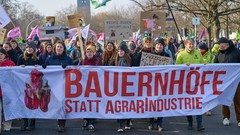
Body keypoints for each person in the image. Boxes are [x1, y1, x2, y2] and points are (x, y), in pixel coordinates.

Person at [175, 38, 205, 131]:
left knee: (198, 103)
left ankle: (199, 124)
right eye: (189, 44)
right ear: (186, 45)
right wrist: (183, 66)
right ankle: (190, 122)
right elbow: (176, 68)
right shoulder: (181, 55)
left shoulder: (197, 53)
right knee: (188, 104)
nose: (191, 46)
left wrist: (205, 64)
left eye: (192, 44)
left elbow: (202, 63)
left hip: (197, 83)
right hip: (186, 84)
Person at [45, 41, 73, 132]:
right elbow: (45, 72)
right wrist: (44, 67)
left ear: (64, 49)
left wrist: (68, 67)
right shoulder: (49, 59)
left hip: (64, 84)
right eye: (58, 47)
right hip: (52, 85)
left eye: (61, 47)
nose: (59, 48)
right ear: (55, 48)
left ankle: (61, 124)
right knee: (54, 104)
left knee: (62, 104)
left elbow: (73, 70)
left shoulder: (68, 59)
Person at [214, 37, 240, 127]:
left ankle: (239, 119)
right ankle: (226, 117)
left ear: (227, 44)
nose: (220, 45)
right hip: (224, 82)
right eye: (219, 44)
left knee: (238, 101)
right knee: (224, 100)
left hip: (236, 81)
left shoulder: (237, 52)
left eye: (222, 43)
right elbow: (214, 67)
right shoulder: (218, 54)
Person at [148, 38, 170, 131]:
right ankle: (151, 122)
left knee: (161, 103)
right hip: (151, 83)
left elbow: (171, 68)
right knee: (151, 103)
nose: (159, 46)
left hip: (162, 83)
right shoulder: (150, 55)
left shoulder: (167, 55)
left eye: (161, 45)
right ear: (155, 45)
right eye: (157, 44)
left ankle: (160, 123)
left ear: (163, 46)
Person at [17, 41, 40, 131]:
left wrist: (39, 66)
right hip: (24, 85)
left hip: (34, 85)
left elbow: (44, 68)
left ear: (34, 49)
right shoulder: (21, 57)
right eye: (27, 47)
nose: (29, 49)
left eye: (30, 47)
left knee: (33, 103)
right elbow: (16, 70)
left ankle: (32, 122)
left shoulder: (37, 58)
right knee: (24, 103)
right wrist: (20, 67)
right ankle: (25, 122)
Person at [79, 42, 102, 132]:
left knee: (92, 103)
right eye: (88, 51)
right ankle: (86, 120)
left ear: (94, 53)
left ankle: (91, 122)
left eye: (91, 52)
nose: (89, 53)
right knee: (85, 103)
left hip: (94, 87)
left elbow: (101, 73)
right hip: (84, 86)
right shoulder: (83, 61)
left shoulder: (98, 62)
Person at [115, 41, 132, 133]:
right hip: (119, 85)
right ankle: (120, 124)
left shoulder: (129, 59)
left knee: (128, 104)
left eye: (122, 50)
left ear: (125, 51)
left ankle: (128, 122)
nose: (120, 52)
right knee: (120, 104)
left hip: (129, 85)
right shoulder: (116, 60)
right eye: (119, 50)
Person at [0, 48, 15, 132]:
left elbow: (15, 75)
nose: (0, 56)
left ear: (5, 55)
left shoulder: (10, 64)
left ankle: (7, 125)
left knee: (7, 109)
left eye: (1, 54)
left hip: (7, 91)